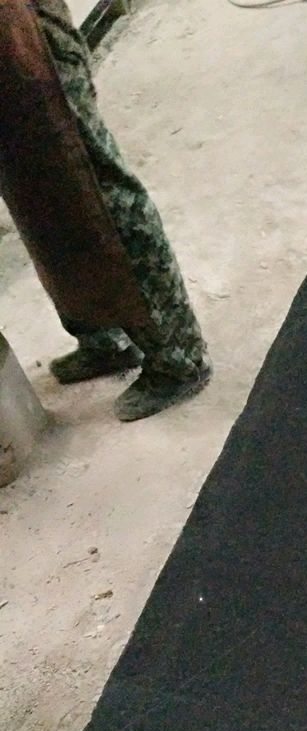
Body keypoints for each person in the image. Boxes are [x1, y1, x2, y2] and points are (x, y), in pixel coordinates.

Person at [0, 0, 210, 421]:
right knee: (39, 203)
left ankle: (178, 357)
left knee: (95, 190)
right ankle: (105, 336)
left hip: (21, 34)